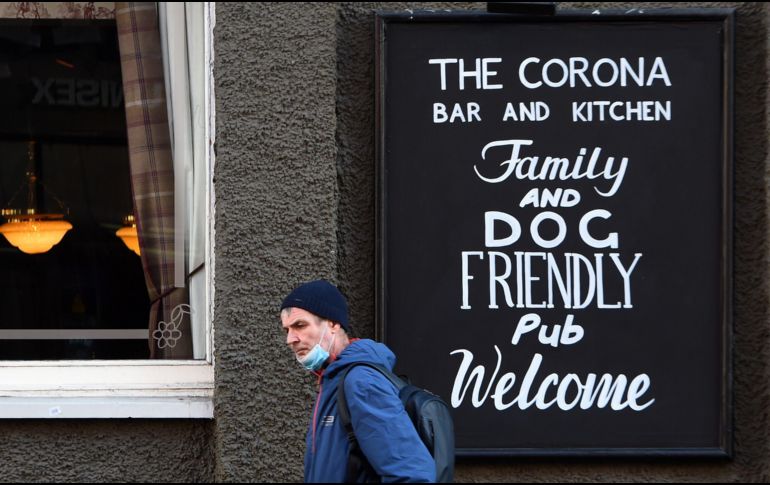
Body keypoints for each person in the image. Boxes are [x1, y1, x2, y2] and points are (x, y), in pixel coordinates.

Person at [280, 279, 436, 483]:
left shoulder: (360, 382)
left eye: (300, 325)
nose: (290, 339)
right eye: (287, 330)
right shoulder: (332, 380)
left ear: (333, 324)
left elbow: (412, 474)